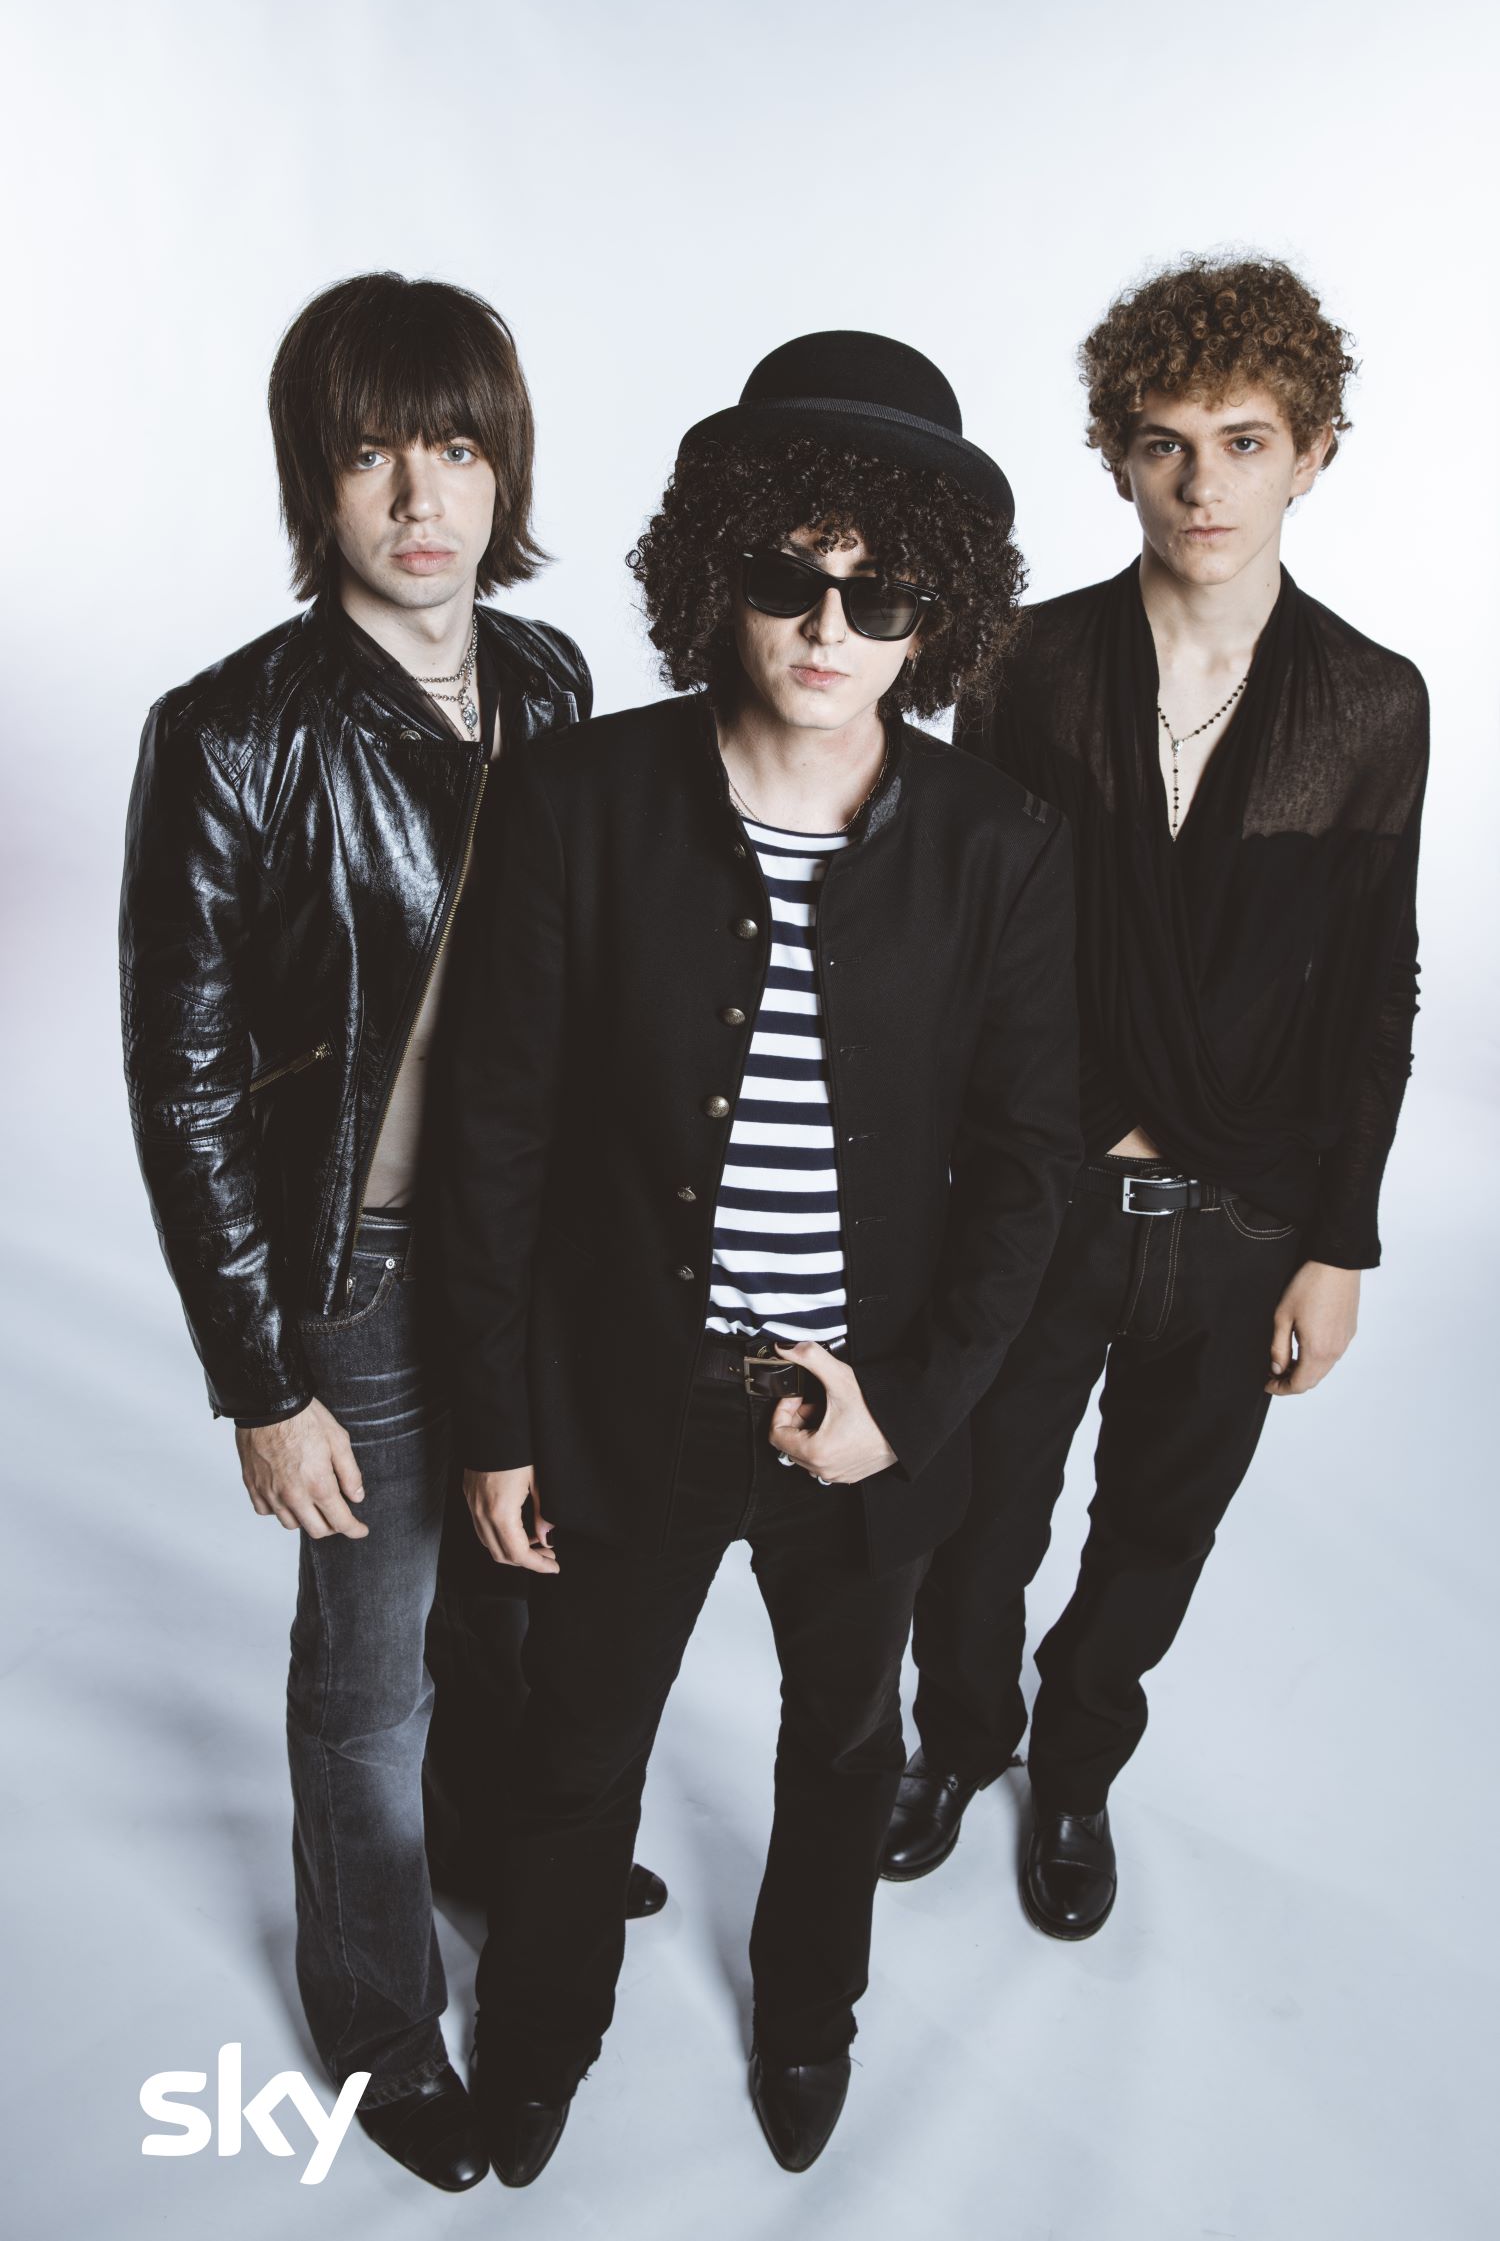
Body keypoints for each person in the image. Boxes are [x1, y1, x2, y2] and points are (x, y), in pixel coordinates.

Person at [441, 330, 1083, 2183]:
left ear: (938, 615)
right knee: (579, 1746)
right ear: (718, 569)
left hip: (862, 1414)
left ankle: (810, 2021)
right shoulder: (577, 801)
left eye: (882, 595)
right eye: (791, 575)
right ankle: (538, 2039)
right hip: (624, 1396)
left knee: (845, 1748)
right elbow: (495, 1138)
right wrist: (497, 1423)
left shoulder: (1001, 847)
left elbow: (1028, 1168)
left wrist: (912, 1408)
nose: (829, 626)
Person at [118, 270, 662, 2195]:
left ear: (504, 465)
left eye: (454, 447)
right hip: (350, 1271)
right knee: (367, 1684)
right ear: (316, 480)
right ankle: (372, 2011)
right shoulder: (231, 732)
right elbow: (182, 1081)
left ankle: (500, 1848)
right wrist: (261, 1382)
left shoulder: (552, 679)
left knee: (515, 1591)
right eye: (370, 455)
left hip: (532, 1251)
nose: (421, 497)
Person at [883, 257, 1430, 1941]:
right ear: (1115, 454)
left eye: (1246, 442)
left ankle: (1073, 1769)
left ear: (1314, 454)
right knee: (974, 1520)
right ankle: (957, 1740)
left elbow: (1375, 990)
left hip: (1246, 1213)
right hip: (1038, 1198)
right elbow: (960, 941)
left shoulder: (1371, 702)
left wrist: (1340, 1243)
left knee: (1156, 1533)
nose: (1205, 483)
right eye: (1167, 442)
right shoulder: (1031, 665)